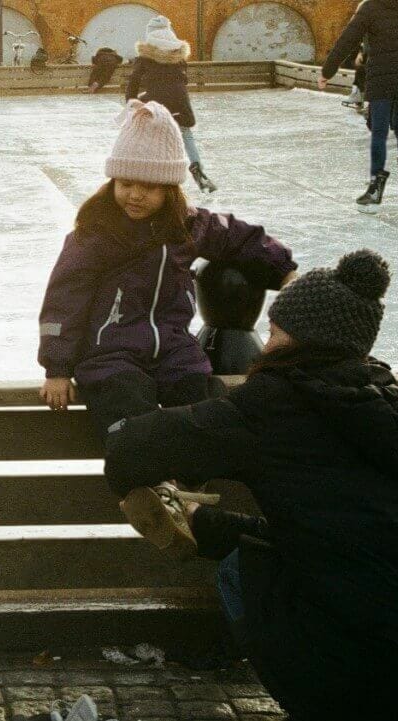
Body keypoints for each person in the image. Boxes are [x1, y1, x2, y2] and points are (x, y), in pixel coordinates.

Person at [104, 249, 398, 721]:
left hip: (354, 667)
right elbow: (342, 532)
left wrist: (121, 451)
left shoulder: (275, 402)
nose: (265, 343)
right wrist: (207, 525)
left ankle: (322, 702)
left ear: (303, 341)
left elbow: (134, 447)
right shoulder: (397, 407)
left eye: (275, 332)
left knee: (239, 571)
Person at [38, 100, 297, 558]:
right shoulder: (95, 234)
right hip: (109, 350)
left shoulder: (189, 227)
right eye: (126, 183)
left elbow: (242, 237)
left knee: (201, 396)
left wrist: (285, 272)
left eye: (149, 187)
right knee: (127, 403)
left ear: (171, 189)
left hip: (173, 347)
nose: (134, 195)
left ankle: (183, 491)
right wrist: (57, 367)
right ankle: (150, 492)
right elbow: (64, 300)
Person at [320, 0, 398, 211]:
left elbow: (347, 39)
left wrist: (327, 71)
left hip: (383, 77)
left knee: (379, 131)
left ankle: (376, 187)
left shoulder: (370, 7)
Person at [126, 16, 216, 193]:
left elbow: (134, 80)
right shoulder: (178, 55)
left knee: (148, 132)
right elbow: (184, 79)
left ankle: (151, 174)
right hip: (179, 100)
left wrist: (131, 100)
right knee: (186, 134)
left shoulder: (145, 56)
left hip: (155, 99)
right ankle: (197, 168)